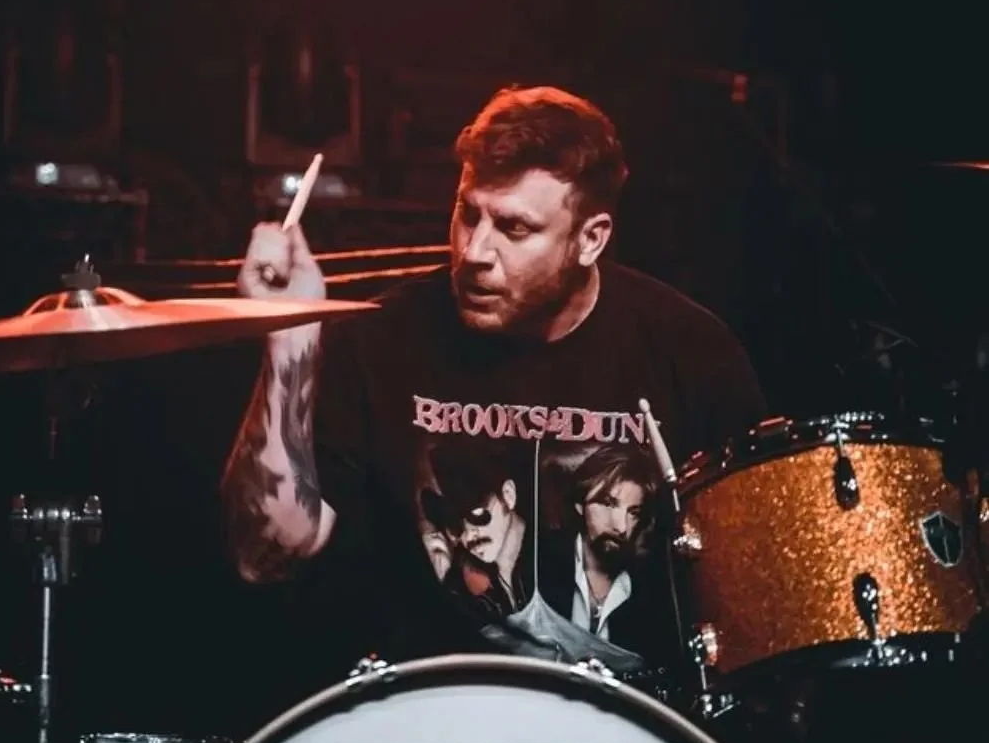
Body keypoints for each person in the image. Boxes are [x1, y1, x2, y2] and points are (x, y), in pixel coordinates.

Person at [220, 84, 767, 680]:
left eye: (515, 228)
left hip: (627, 732)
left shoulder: (690, 354)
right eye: (467, 213)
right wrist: (287, 336)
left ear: (591, 239)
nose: (476, 251)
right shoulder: (379, 339)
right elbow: (266, 556)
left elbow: (751, 592)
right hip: (420, 721)